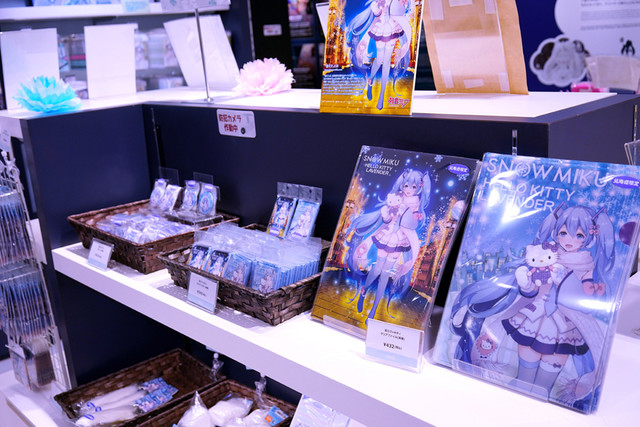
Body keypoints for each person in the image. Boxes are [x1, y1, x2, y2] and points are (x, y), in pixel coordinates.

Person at [448, 203, 614, 409]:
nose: (569, 240)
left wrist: (580, 287)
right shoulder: (544, 254)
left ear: (590, 237)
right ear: (556, 232)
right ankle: (510, 408)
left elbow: (584, 301)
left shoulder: (587, 266)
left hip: (564, 327)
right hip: (533, 319)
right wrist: (526, 283)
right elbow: (531, 291)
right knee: (524, 378)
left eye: (579, 235)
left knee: (544, 387)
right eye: (563, 233)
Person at [347, 168, 430, 319]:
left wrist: (413, 217)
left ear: (419, 187)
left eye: (413, 187)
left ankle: (373, 310)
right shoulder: (395, 197)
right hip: (387, 235)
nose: (409, 189)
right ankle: (363, 291)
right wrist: (386, 215)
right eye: (406, 185)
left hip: (400, 239)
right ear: (402, 184)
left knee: (385, 273)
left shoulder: (416, 205)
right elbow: (387, 220)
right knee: (377, 269)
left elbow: (412, 225)